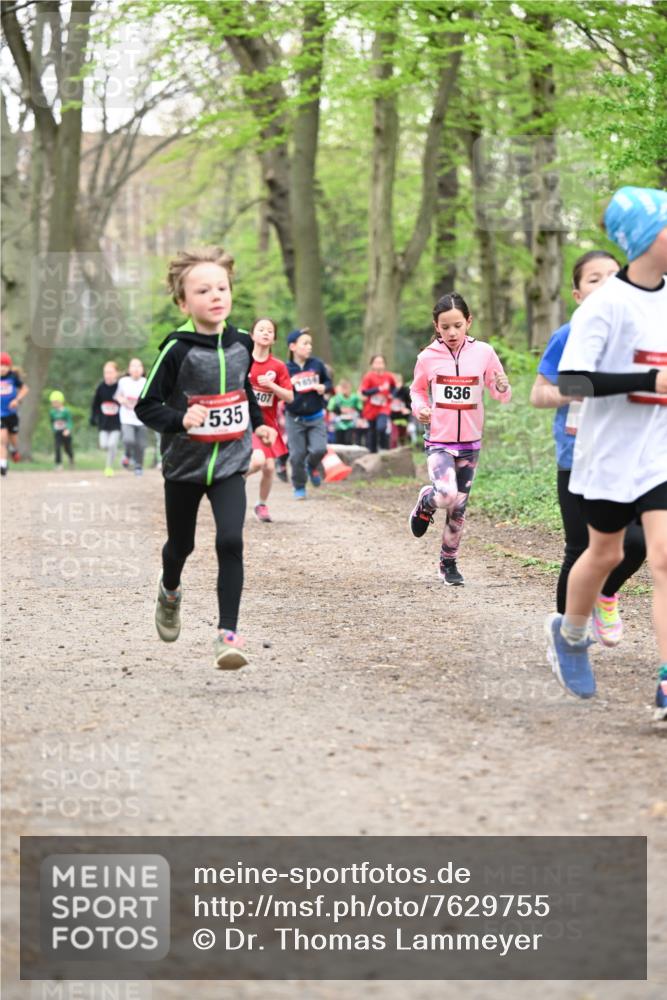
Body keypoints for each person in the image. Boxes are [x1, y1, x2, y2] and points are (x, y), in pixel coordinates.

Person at [545, 186, 667, 720]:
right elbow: (571, 379)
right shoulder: (606, 305)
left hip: (659, 452)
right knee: (607, 554)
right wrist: (648, 378)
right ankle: (570, 635)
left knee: (664, 557)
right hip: (607, 455)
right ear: (646, 239)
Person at [135, 246, 276, 670]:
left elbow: (244, 388)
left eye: (222, 287)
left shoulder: (242, 344)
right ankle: (170, 590)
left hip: (230, 463)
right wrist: (181, 419)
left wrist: (259, 424)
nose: (216, 296)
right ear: (183, 302)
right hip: (185, 467)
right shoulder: (176, 349)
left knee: (231, 540)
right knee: (182, 545)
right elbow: (146, 406)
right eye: (203, 290)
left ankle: (227, 636)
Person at [531, 251, 646, 645]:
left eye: (614, 275)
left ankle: (606, 593)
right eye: (594, 278)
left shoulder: (640, 333)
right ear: (578, 294)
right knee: (580, 548)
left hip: (631, 456)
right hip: (577, 458)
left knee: (638, 543)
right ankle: (567, 638)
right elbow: (539, 395)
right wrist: (586, 387)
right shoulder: (567, 335)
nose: (606, 283)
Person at [408, 292, 511, 586]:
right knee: (446, 494)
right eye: (445, 327)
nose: (452, 333)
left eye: (457, 325)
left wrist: (502, 386)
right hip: (439, 439)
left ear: (468, 322)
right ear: (436, 327)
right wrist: (421, 408)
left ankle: (448, 562)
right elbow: (416, 390)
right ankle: (427, 502)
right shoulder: (427, 357)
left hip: (470, 441)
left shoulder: (485, 353)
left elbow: (499, 392)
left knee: (458, 508)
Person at [246, 317, 294, 522]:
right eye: (261, 329)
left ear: (274, 339)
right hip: (243, 422)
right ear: (252, 335)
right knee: (257, 461)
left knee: (269, 467)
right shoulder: (243, 360)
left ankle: (261, 505)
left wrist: (271, 386)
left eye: (270, 331)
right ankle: (228, 485)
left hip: (267, 425)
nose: (265, 333)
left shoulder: (278, 366)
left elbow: (290, 397)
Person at [284, 328, 332, 499]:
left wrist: (324, 387)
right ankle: (299, 486)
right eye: (305, 343)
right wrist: (289, 383)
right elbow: (280, 390)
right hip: (294, 418)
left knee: (319, 449)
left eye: (310, 343)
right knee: (297, 455)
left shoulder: (317, 364)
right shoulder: (286, 368)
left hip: (316, 416)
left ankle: (311, 466)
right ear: (292, 346)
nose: (309, 347)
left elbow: (329, 382)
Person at [116, 358, 147, 476]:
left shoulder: (145, 382)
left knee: (141, 445)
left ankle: (138, 466)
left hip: (141, 418)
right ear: (129, 369)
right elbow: (118, 396)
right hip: (126, 418)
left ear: (142, 369)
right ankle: (127, 455)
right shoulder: (123, 381)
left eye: (139, 366)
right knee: (128, 439)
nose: (136, 369)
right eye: (133, 366)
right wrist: (122, 400)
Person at [359, 355, 397, 452]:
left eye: (381, 362)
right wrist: (378, 389)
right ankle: (372, 453)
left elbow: (394, 388)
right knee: (372, 431)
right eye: (376, 362)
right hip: (371, 408)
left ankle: (384, 448)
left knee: (381, 427)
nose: (379, 365)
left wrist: (392, 395)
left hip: (383, 407)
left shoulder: (389, 376)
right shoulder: (368, 376)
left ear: (384, 364)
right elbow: (364, 392)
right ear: (372, 365)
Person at [90, 361, 121, 476]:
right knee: (104, 445)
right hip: (103, 422)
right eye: (106, 373)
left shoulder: (120, 386)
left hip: (116, 423)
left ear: (116, 373)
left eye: (110, 372)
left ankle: (108, 467)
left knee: (112, 444)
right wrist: (93, 417)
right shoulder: (100, 387)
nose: (108, 375)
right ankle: (114, 453)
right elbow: (95, 404)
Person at [0, 353, 28, 476]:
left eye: (5, 365)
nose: (2, 368)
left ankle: (14, 449)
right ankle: (3, 464)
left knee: (13, 439)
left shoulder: (13, 377)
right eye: (0, 365)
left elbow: (25, 389)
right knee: (2, 439)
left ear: (9, 366)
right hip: (0, 414)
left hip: (12, 414)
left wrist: (17, 400)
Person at [327, 379, 362, 445]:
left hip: (350, 423)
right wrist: (339, 410)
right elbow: (330, 408)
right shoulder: (336, 398)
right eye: (344, 388)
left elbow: (360, 408)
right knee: (339, 441)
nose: (346, 390)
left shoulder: (354, 398)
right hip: (339, 423)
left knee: (348, 441)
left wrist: (355, 413)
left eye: (347, 388)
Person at [48, 390, 75, 469]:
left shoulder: (66, 411)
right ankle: (58, 464)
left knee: (67, 448)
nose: (54, 404)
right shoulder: (52, 412)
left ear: (60, 402)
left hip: (66, 432)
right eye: (52, 402)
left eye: (55, 402)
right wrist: (53, 429)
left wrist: (68, 429)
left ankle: (71, 458)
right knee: (57, 447)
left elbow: (70, 421)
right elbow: (52, 422)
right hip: (57, 432)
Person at [390, 373, 412, 448]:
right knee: (394, 437)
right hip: (393, 418)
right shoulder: (391, 390)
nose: (397, 383)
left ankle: (403, 451)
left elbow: (410, 402)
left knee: (402, 436)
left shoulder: (405, 390)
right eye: (395, 382)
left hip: (403, 418)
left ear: (402, 382)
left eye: (399, 381)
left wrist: (408, 409)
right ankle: (392, 453)